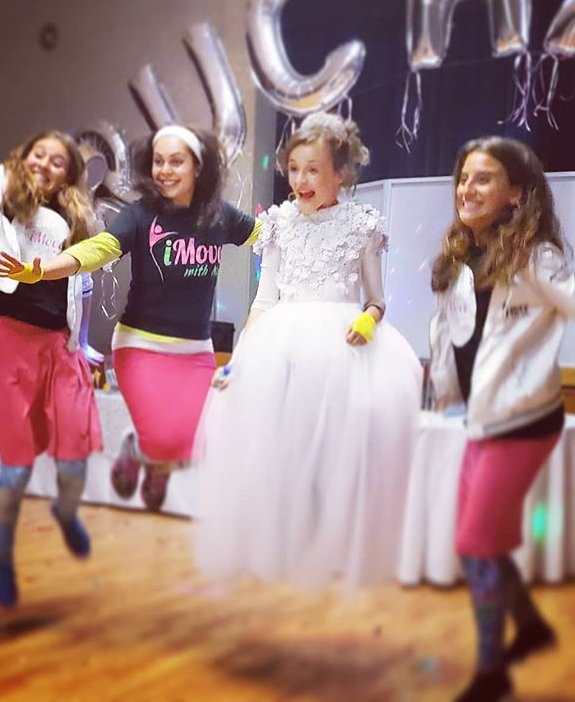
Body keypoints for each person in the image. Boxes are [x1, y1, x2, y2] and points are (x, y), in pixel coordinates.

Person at [194, 111, 422, 590]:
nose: (301, 180)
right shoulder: (279, 224)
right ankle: (283, 545)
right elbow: (263, 300)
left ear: (341, 173)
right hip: (283, 346)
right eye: (294, 169)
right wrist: (240, 360)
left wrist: (368, 319)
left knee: (336, 449)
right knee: (282, 447)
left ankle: (333, 547)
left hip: (341, 349)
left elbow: (376, 299)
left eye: (313, 169)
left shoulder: (362, 225)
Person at [0, 124, 261, 511]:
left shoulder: (219, 217)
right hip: (140, 345)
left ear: (198, 168)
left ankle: (150, 459)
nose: (165, 170)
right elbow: (100, 248)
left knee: (193, 443)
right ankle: (141, 450)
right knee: (163, 440)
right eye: (159, 161)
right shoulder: (141, 214)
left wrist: (313, 224)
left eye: (176, 162)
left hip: (195, 350)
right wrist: (45, 269)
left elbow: (268, 236)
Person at [0, 85, 102, 609]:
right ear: (23, 157)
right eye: (38, 154)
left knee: (74, 456)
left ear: (68, 175)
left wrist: (82, 346)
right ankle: (3, 554)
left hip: (58, 348)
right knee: (16, 462)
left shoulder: (76, 219)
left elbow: (80, 287)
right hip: (5, 342)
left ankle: (66, 511)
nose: (45, 164)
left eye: (57, 161)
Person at [429, 136, 575, 702]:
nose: (468, 188)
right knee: (480, 540)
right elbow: (452, 334)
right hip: (481, 419)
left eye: (484, 178)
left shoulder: (538, 257)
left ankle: (491, 672)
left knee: (476, 544)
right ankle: (531, 627)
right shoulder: (460, 257)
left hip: (523, 419)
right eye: (464, 178)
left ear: (516, 192)